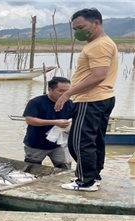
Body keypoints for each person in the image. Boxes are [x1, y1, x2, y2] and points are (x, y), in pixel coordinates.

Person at [55, 8, 118, 192]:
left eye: (81, 27)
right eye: (75, 29)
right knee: (95, 140)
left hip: (91, 99)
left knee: (80, 142)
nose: (77, 32)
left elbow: (98, 75)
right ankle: (94, 176)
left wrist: (67, 94)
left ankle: (85, 181)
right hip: (102, 98)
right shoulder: (101, 43)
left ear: (96, 23)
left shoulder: (99, 44)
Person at [23, 76, 73, 169]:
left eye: (68, 91)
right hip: (36, 143)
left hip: (59, 144)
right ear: (50, 89)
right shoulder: (36, 102)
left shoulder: (69, 103)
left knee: (64, 168)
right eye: (61, 91)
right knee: (32, 170)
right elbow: (29, 120)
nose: (65, 94)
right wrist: (54, 122)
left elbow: (74, 119)